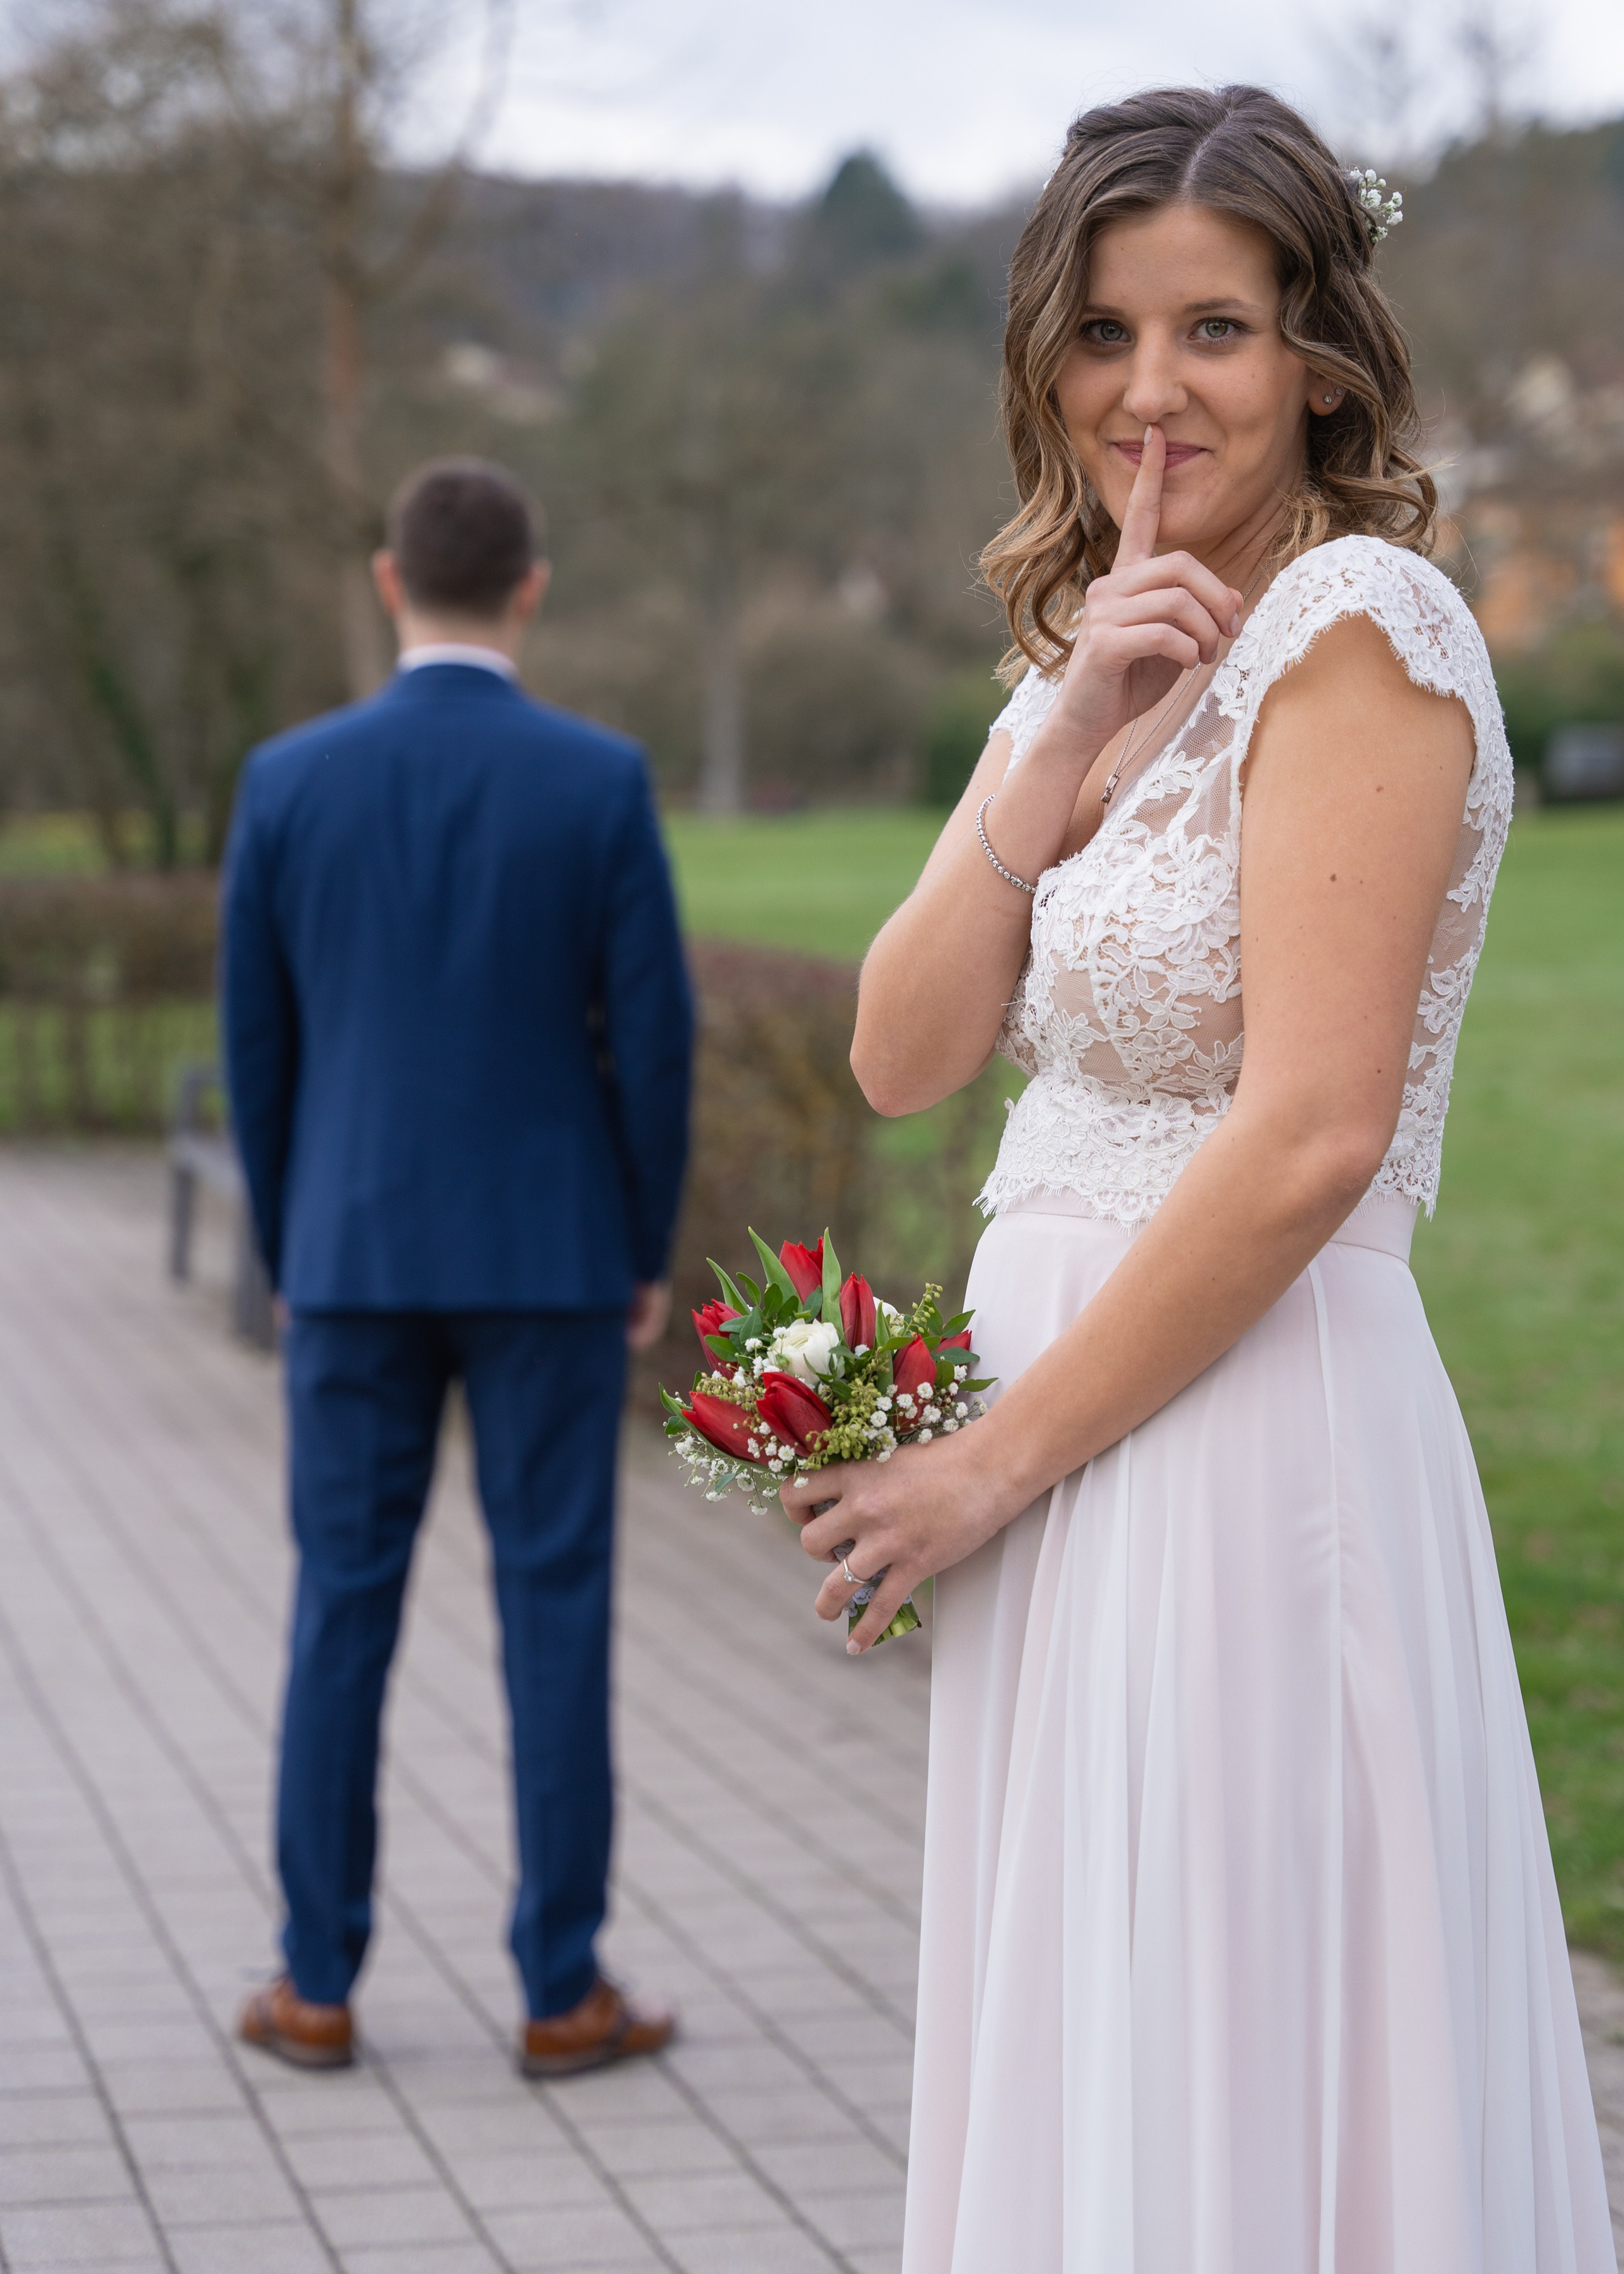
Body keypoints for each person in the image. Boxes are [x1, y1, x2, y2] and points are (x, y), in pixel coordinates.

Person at [790, 86, 1616, 2271]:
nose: (1151, 388)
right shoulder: (1087, 645)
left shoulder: (1360, 628)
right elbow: (900, 1054)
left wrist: (980, 1471)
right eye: (1105, 330)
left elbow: (1317, 1131)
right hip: (1077, 1477)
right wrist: (1056, 745)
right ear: (1046, 355)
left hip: (1245, 1445)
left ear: (1321, 354)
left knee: (1251, 2051)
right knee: (1106, 2049)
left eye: (1218, 331)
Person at [222, 457, 692, 2077]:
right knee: (554, 1606)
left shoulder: (286, 781)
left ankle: (317, 1980)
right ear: (531, 589)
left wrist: (290, 1246)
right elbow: (657, 1038)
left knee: (338, 1608)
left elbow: (256, 1048)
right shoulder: (599, 778)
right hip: (551, 1257)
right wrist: (640, 1247)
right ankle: (561, 1988)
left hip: (349, 1254)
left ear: (386, 581)